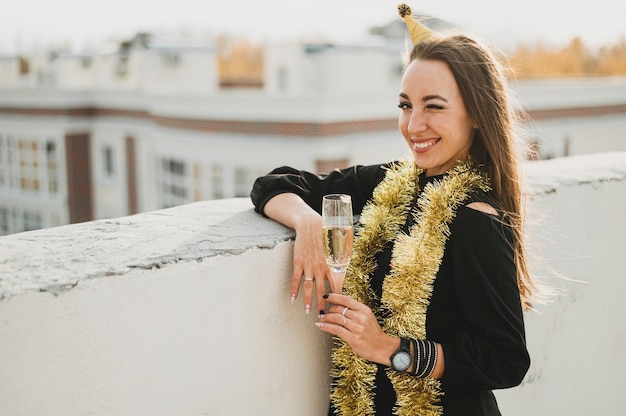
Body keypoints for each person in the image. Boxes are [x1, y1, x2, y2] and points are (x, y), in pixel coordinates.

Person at [250, 4, 535, 415]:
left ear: (475, 113)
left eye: (433, 106)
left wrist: (386, 348)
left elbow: (505, 360)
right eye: (405, 105)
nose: (413, 124)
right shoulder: (383, 185)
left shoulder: (476, 216)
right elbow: (273, 184)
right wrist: (307, 222)